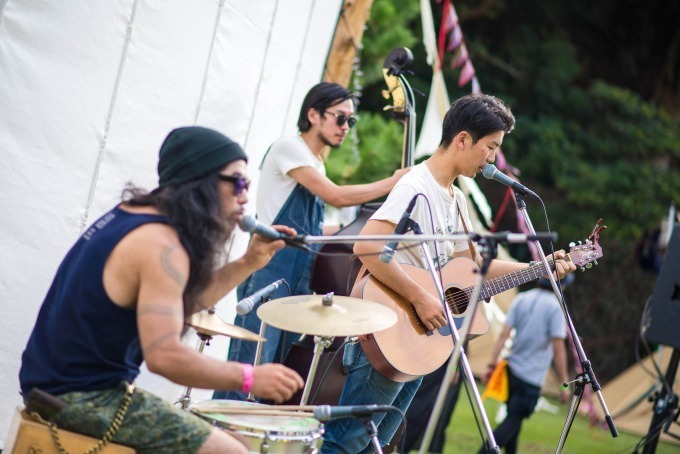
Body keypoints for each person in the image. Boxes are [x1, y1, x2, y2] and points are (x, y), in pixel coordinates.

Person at [18, 126, 305, 453]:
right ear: (201, 182)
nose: (245, 196)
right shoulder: (162, 245)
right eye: (238, 183)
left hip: (61, 385)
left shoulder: (134, 217)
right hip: (82, 397)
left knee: (236, 440)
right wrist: (250, 378)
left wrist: (248, 262)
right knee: (234, 452)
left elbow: (179, 305)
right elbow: (164, 357)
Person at [321, 93, 577, 453]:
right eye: (490, 147)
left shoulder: (454, 197)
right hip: (390, 330)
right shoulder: (415, 186)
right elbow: (368, 245)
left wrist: (540, 267)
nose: (492, 159)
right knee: (345, 443)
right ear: (462, 140)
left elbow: (474, 269)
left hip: (420, 340)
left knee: (374, 446)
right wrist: (420, 297)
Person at [217, 82, 410, 401]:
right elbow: (334, 194)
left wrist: (364, 229)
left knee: (275, 371)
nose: (346, 127)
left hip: (297, 274)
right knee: (251, 365)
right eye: (340, 118)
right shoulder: (289, 148)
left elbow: (314, 229)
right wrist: (392, 183)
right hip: (270, 270)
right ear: (313, 115)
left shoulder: (314, 162)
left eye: (352, 121)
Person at [478, 275, 573, 454]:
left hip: (511, 372)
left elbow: (503, 334)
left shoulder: (522, 298)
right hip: (530, 379)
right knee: (511, 423)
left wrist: (491, 365)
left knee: (514, 422)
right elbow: (558, 348)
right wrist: (564, 382)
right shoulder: (556, 308)